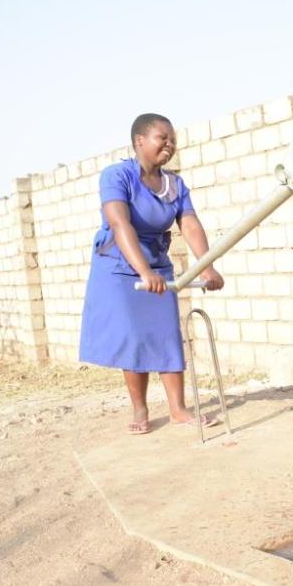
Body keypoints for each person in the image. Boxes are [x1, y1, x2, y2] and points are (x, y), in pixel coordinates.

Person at [80, 113, 223, 435]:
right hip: (119, 268)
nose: (169, 144)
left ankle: (178, 410)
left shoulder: (174, 184)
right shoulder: (117, 176)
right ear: (139, 141)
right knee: (134, 337)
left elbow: (189, 224)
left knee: (167, 335)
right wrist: (143, 271)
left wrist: (207, 266)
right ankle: (140, 408)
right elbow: (119, 223)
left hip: (157, 265)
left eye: (173, 139)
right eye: (163, 138)